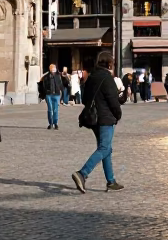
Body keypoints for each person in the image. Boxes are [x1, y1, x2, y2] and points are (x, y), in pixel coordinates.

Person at [71, 51, 123, 193]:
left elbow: (84, 99)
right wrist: (118, 114)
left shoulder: (91, 77)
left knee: (106, 148)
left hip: (93, 119)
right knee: (104, 148)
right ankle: (82, 173)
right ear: (109, 63)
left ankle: (111, 181)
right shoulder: (107, 78)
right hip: (105, 118)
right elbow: (113, 101)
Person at [41, 63, 63, 129]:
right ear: (50, 69)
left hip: (56, 94)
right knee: (50, 109)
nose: (53, 69)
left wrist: (62, 94)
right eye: (52, 68)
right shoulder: (46, 77)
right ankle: (50, 123)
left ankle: (55, 123)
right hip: (49, 95)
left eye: (54, 68)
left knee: (55, 109)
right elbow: (43, 86)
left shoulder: (58, 76)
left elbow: (61, 85)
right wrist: (44, 93)